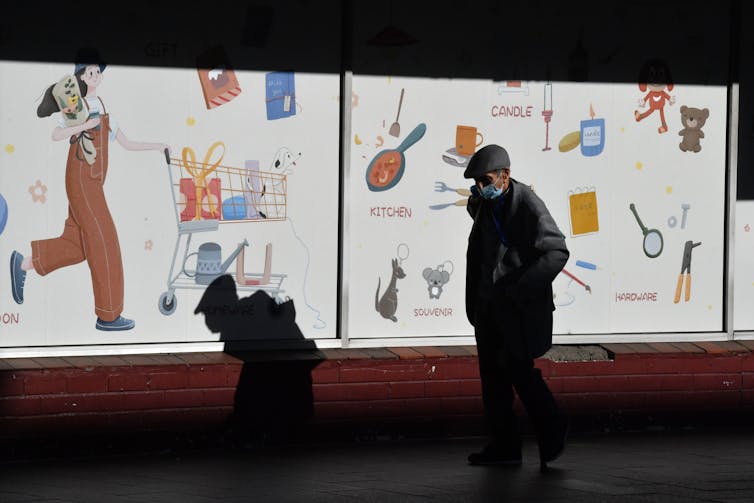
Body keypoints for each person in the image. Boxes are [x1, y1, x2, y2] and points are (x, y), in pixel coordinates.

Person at [9, 48, 169, 331]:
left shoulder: (105, 109)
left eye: (97, 72)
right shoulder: (76, 105)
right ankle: (108, 315)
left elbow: (128, 143)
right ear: (81, 77)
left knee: (78, 244)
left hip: (94, 182)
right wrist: (85, 124)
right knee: (105, 240)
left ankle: (25, 264)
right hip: (81, 179)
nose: (95, 75)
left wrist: (158, 146)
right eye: (90, 72)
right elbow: (56, 134)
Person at [463, 144, 569, 468]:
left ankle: (553, 432)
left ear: (504, 176)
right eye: (476, 183)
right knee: (493, 381)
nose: (481, 188)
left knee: (521, 375)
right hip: (488, 308)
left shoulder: (528, 204)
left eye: (485, 180)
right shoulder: (484, 203)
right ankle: (504, 447)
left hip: (515, 310)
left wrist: (521, 289)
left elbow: (556, 252)